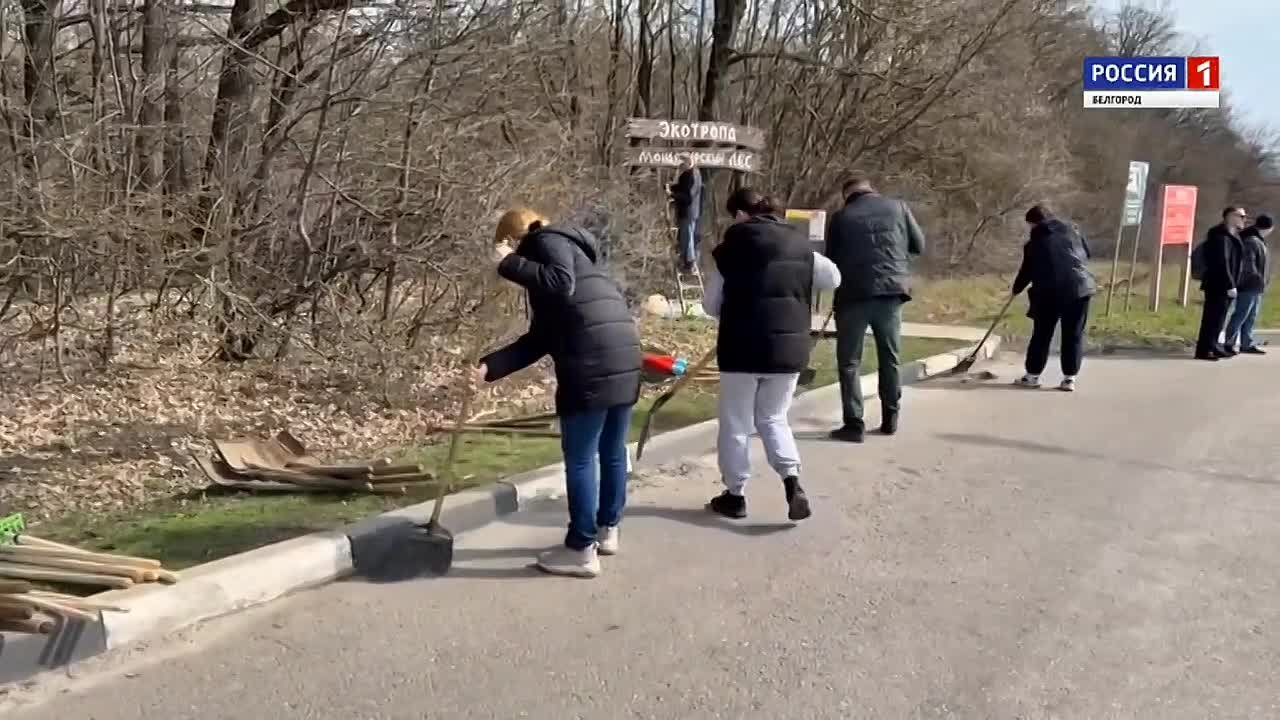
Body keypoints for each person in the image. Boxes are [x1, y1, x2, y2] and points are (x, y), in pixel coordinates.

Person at [475, 208, 643, 578]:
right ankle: (607, 529)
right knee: (612, 450)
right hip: (625, 356)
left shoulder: (546, 242)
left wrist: (508, 263)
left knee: (582, 458)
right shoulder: (581, 262)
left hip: (592, 365)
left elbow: (558, 282)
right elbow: (541, 338)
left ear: (515, 240)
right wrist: (490, 367)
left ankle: (582, 549)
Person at [701, 188, 842, 520]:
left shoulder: (730, 250)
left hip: (741, 349)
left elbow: (710, 305)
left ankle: (735, 494)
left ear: (741, 214)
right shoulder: (801, 247)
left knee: (736, 423)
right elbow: (833, 278)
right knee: (774, 418)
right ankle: (792, 482)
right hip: (788, 350)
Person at [824, 174, 925, 443]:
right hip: (891, 294)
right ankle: (890, 417)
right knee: (889, 356)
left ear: (847, 195)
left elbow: (831, 260)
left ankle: (854, 424)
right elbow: (919, 245)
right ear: (871, 189)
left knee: (849, 362)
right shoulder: (898, 207)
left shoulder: (841, 218)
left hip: (852, 295)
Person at [1010, 205, 1098, 392]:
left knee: (1042, 335)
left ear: (1034, 223)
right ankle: (1069, 379)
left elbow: (1027, 271)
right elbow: (1087, 254)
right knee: (1073, 335)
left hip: (1048, 292)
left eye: (1030, 225)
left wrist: (1016, 289)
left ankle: (1032, 376)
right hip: (1080, 289)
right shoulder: (1073, 232)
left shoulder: (1034, 243)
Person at [1194, 206, 1247, 361]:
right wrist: (1230, 284)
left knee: (1220, 318)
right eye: (1241, 216)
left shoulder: (1232, 235)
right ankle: (1205, 349)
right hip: (1218, 285)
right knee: (1212, 318)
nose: (1244, 219)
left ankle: (1215, 346)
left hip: (1226, 284)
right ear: (1230, 217)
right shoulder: (1220, 236)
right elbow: (1222, 263)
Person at [1224, 213, 1273, 355]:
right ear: (1268, 228)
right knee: (1242, 314)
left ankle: (1246, 343)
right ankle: (1229, 342)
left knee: (1251, 315)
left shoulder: (1257, 239)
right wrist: (1257, 278)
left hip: (1256, 285)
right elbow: (1248, 264)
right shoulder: (1251, 241)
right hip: (1249, 284)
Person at [668, 154, 703, 273]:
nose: (682, 164)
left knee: (687, 238)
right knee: (686, 237)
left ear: (689, 162)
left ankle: (690, 263)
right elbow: (682, 187)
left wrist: (672, 194)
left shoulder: (692, 175)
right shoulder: (691, 173)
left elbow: (688, 197)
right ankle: (687, 260)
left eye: (684, 162)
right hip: (689, 210)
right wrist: (672, 188)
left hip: (689, 210)